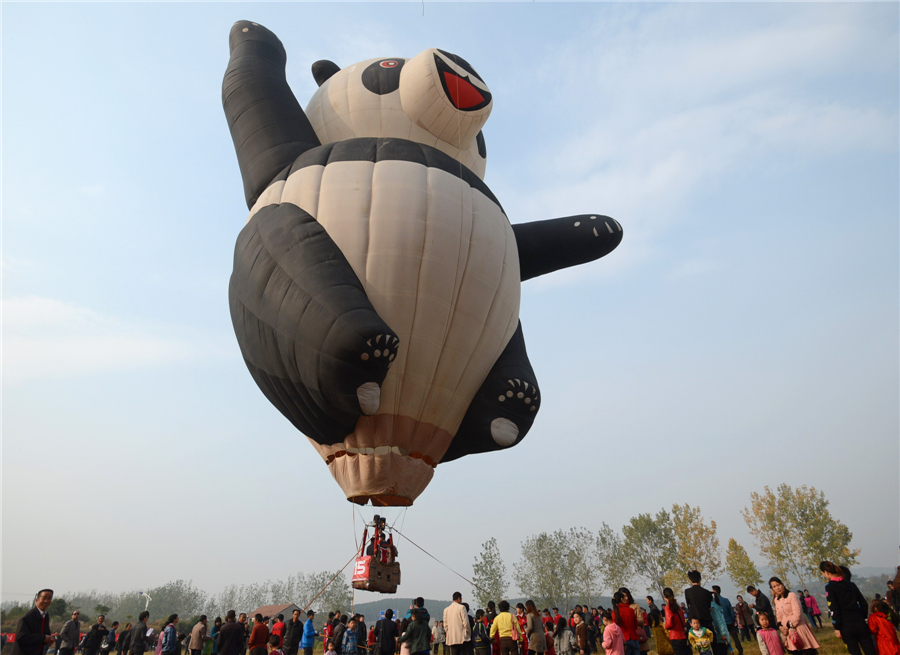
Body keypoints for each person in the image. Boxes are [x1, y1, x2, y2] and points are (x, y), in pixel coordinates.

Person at [821, 561, 875, 655]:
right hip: (860, 622)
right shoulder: (851, 584)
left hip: (846, 626)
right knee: (870, 651)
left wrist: (837, 627)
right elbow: (864, 604)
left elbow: (834, 608)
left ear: (826, 572)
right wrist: (862, 618)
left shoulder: (830, 587)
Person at [768, 577, 818, 655]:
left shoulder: (791, 595)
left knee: (807, 651)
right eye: (774, 587)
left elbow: (797, 613)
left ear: (782, 584)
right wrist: (781, 627)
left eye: (778, 585)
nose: (777, 588)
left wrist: (789, 625)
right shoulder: (776, 600)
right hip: (788, 632)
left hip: (799, 628)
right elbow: (779, 616)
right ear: (772, 589)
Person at [11, 589, 54, 655]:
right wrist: (43, 638)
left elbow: (45, 633)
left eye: (49, 598)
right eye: (44, 598)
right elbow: (21, 637)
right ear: (37, 600)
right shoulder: (27, 617)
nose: (46, 601)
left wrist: (50, 639)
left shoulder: (45, 615)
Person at [711, 587, 739, 655]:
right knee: (735, 638)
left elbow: (718, 620)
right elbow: (731, 611)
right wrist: (733, 620)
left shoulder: (713, 604)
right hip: (729, 622)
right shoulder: (725, 600)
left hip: (721, 626)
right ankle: (739, 650)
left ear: (714, 592)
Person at [663, 588, 689, 655]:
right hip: (683, 635)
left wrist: (664, 625)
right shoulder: (678, 607)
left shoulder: (668, 607)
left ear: (664, 596)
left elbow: (669, 624)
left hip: (674, 636)